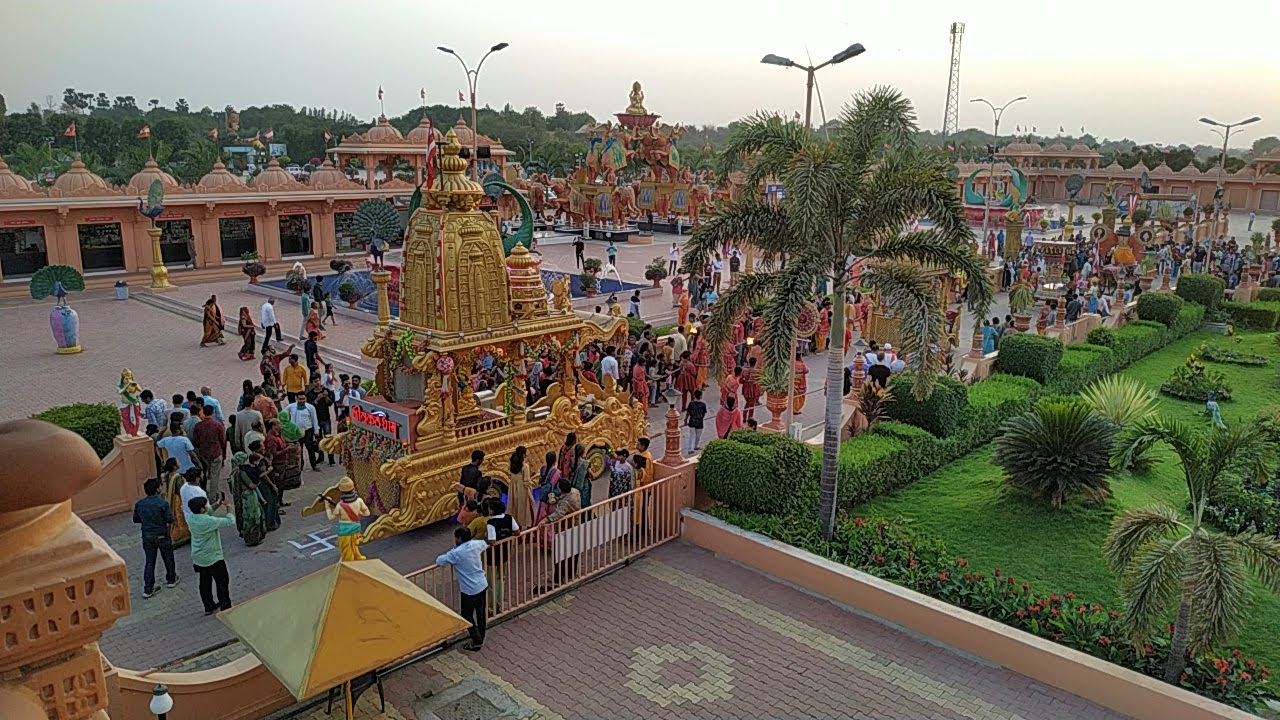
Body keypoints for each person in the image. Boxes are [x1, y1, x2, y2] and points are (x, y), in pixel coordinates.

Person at [436, 526, 490, 651]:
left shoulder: (456, 553)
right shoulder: (476, 544)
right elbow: (485, 543)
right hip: (482, 584)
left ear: (459, 538)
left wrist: (453, 550)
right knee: (481, 613)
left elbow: (439, 560)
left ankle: (477, 639)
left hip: (469, 590)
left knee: (467, 616)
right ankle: (480, 635)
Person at [186, 494, 235, 615]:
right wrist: (228, 505)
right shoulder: (208, 521)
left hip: (199, 557)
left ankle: (208, 606)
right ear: (202, 509)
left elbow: (209, 511)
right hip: (213, 557)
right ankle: (225, 606)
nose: (207, 506)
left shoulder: (191, 517)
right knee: (222, 582)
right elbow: (230, 520)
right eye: (205, 505)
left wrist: (218, 503)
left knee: (205, 582)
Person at [133, 477, 179, 598]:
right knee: (168, 557)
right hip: (162, 533)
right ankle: (171, 578)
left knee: (150, 561)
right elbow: (170, 519)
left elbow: (136, 519)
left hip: (147, 535)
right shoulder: (163, 503)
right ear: (157, 489)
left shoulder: (139, 504)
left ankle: (148, 587)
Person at [228, 450, 269, 546]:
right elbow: (251, 485)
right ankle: (253, 539)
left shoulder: (232, 473)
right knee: (253, 518)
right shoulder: (242, 473)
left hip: (241, 498)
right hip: (249, 497)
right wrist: (258, 482)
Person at [327, 477, 371, 561]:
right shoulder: (359, 501)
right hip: (356, 527)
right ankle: (357, 556)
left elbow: (331, 517)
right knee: (354, 545)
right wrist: (357, 512)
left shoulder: (340, 505)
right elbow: (367, 513)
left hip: (345, 530)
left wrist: (327, 507)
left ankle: (348, 563)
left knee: (346, 549)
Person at [191, 404, 228, 499]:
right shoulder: (217, 425)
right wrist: (224, 455)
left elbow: (195, 441)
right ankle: (213, 496)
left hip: (204, 453)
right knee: (215, 475)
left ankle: (205, 491)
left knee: (206, 472)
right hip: (216, 452)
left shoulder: (198, 425)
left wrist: (201, 447)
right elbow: (223, 441)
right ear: (213, 412)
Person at [284, 393, 322, 471]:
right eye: (300, 399)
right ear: (296, 399)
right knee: (298, 449)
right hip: (296, 431)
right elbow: (284, 414)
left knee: (310, 448)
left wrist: (316, 430)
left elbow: (314, 419)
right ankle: (300, 466)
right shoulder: (291, 407)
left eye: (303, 399)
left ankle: (313, 464)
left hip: (308, 430)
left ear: (306, 399)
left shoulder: (310, 407)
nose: (302, 401)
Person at [506, 446, 534, 527]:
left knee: (514, 506)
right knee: (523, 507)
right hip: (522, 488)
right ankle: (524, 524)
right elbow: (526, 481)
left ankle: (515, 525)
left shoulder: (512, 464)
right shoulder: (525, 466)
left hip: (513, 487)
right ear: (523, 455)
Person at [684, 389, 708, 453]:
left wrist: (685, 420)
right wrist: (701, 417)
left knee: (691, 435)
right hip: (700, 422)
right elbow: (704, 413)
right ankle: (696, 446)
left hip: (692, 421)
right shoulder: (703, 404)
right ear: (701, 396)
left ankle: (690, 449)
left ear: (694, 395)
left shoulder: (691, 403)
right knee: (698, 436)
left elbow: (688, 413)